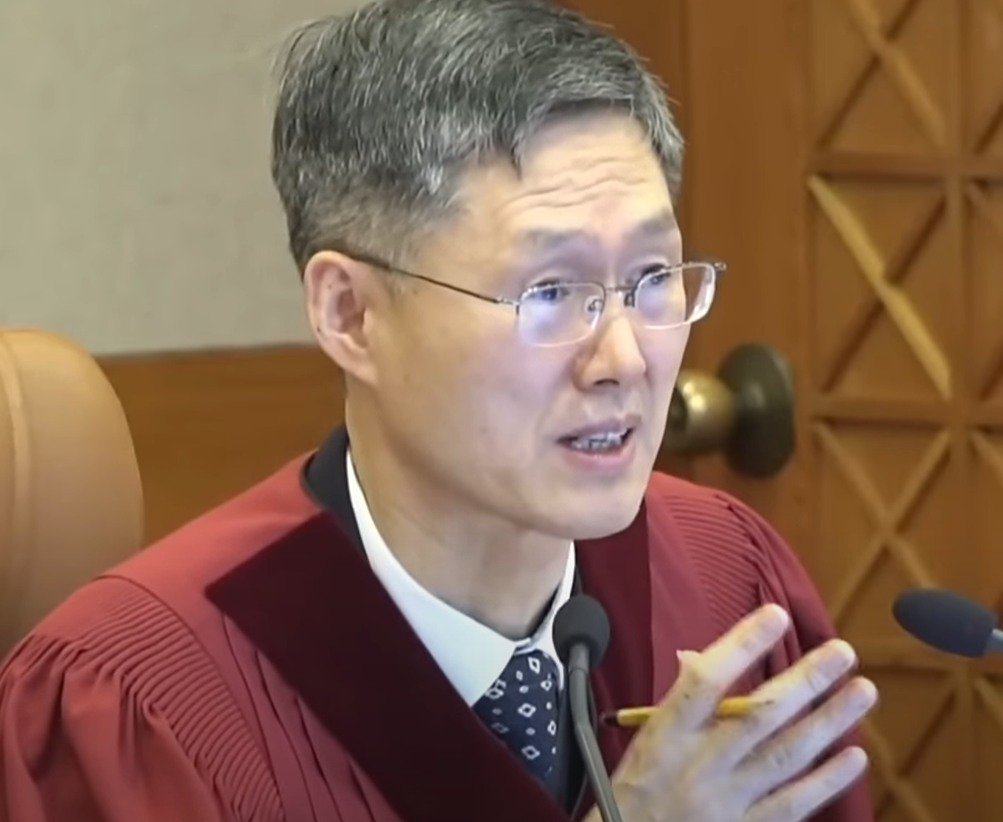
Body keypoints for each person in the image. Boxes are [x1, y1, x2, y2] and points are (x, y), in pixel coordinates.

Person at [0, 1, 879, 820]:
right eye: (550, 292)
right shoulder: (137, 706)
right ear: (350, 314)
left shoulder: (728, 584)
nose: (622, 359)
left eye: (653, 278)